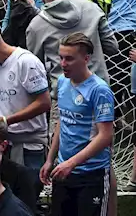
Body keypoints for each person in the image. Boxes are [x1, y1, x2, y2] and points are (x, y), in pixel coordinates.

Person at [43, 32, 115, 216]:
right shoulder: (62, 82)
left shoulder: (99, 90)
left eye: (69, 59)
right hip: (64, 171)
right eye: (61, 58)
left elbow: (105, 135)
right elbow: (62, 120)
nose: (63, 64)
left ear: (86, 59)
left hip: (92, 173)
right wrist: (51, 159)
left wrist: (72, 163)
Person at [0, 23, 52, 171]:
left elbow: (44, 103)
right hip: (0, 142)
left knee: (26, 190)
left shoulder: (25, 62)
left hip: (28, 144)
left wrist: (6, 121)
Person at [25, 0, 114, 82]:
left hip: (62, 94)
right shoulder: (92, 8)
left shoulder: (35, 26)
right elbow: (112, 47)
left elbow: (36, 69)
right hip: (99, 88)